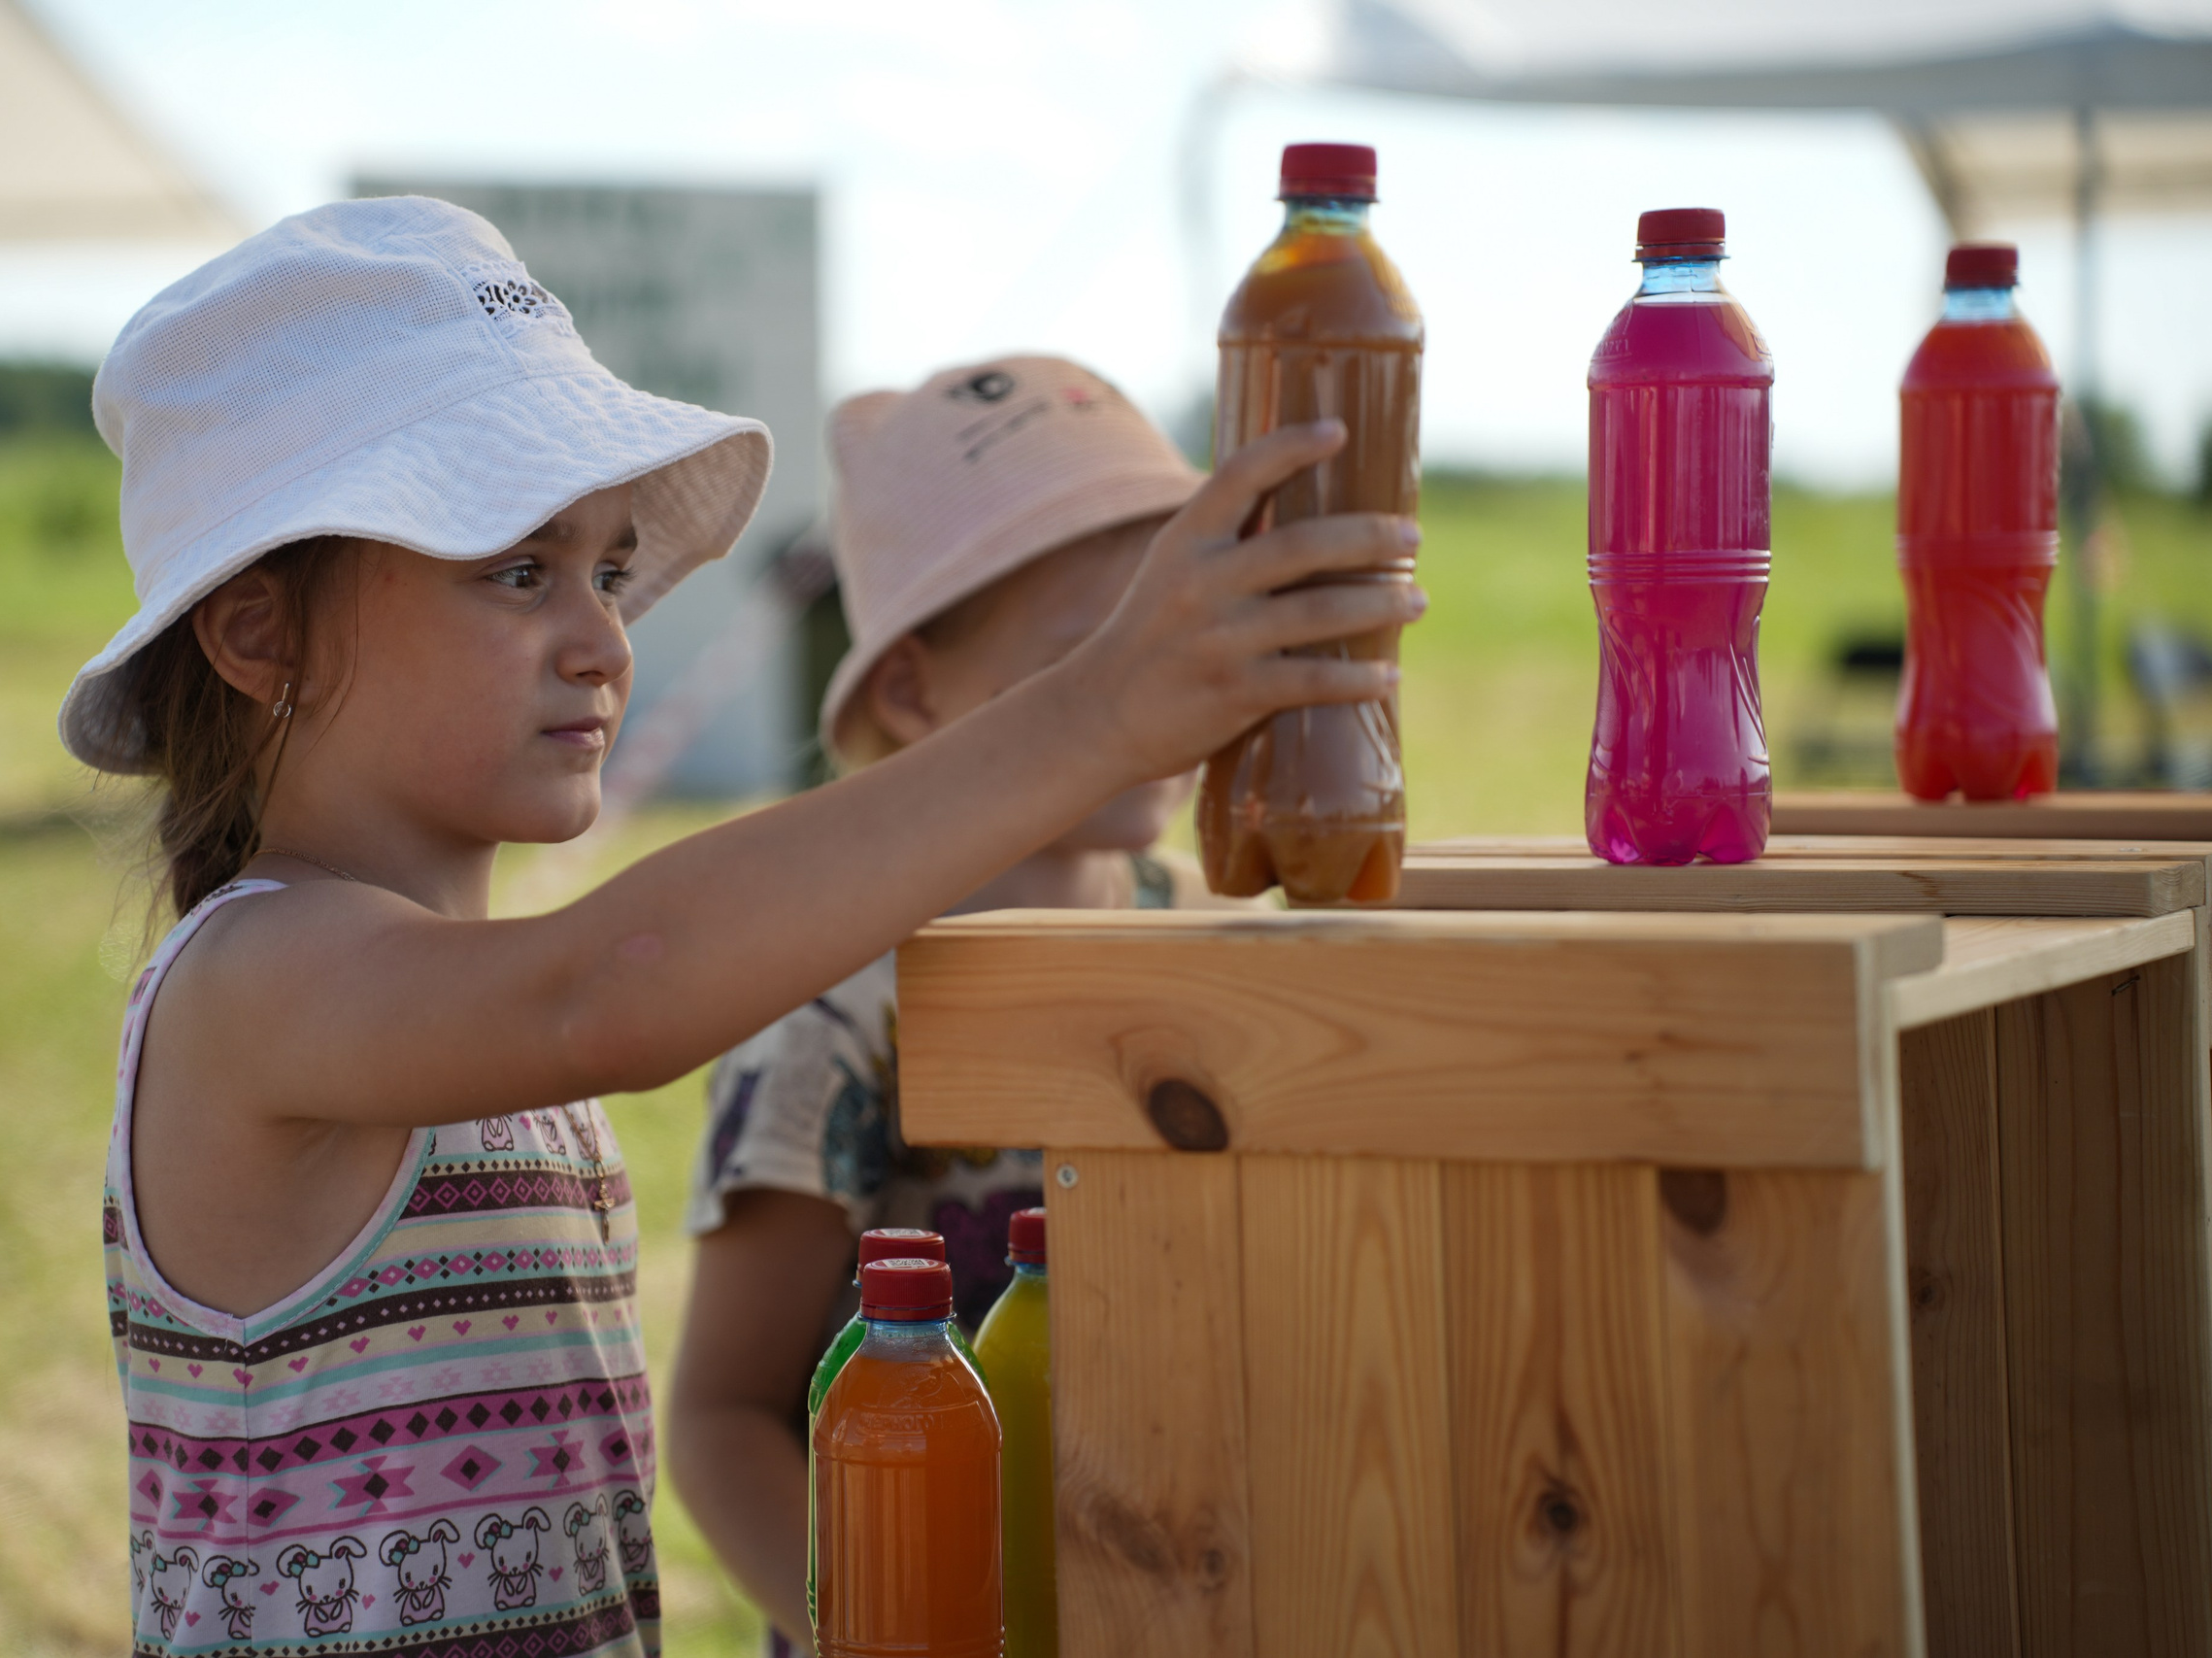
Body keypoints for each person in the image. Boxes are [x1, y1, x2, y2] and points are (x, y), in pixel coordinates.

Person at [81, 198, 1422, 1658]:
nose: (604, 638)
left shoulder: (447, 1001)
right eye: (518, 571)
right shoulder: (257, 979)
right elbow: (615, 981)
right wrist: (1101, 710)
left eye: (605, 569)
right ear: (258, 633)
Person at [666, 356, 1241, 1651]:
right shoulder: (832, 1014)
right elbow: (721, 1419)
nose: (1156, 689)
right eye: (1095, 654)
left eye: (1179, 630)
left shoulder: (1210, 946)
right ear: (914, 690)